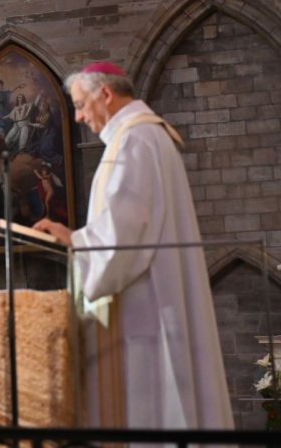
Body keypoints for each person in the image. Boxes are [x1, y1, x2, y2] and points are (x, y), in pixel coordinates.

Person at [33, 62, 233, 430]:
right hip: (152, 288)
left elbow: (126, 228)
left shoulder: (136, 140)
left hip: (148, 302)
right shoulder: (140, 137)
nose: (77, 117)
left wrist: (72, 239)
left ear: (105, 94)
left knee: (156, 409)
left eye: (80, 104)